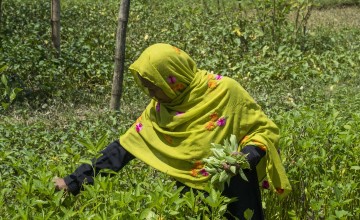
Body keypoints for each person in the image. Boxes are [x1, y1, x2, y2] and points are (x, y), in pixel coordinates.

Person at [54, 43, 291, 219]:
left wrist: (246, 156)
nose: (152, 96)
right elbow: (123, 149)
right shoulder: (161, 109)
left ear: (174, 80)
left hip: (236, 188)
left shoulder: (225, 91)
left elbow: (263, 131)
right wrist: (73, 181)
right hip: (191, 195)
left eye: (156, 88)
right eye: (148, 90)